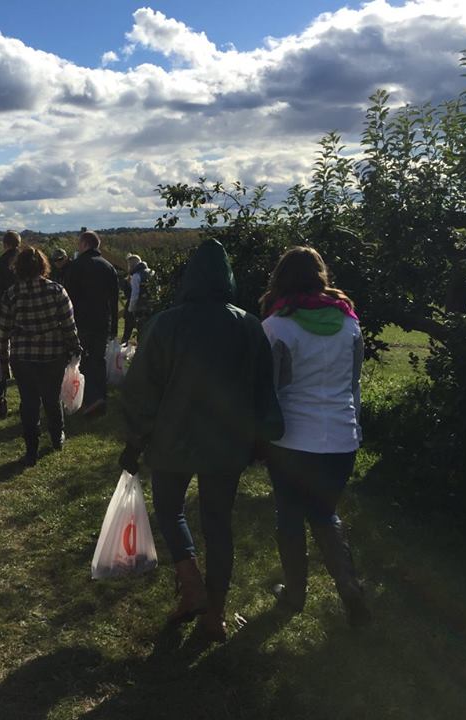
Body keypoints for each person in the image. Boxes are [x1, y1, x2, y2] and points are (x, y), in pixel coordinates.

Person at [118, 239, 283, 642]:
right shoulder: (247, 324)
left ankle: (190, 583)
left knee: (170, 510)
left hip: (170, 440)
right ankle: (216, 615)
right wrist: (264, 437)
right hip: (227, 444)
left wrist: (134, 442)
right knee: (218, 524)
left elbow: (143, 390)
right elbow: (265, 387)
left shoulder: (165, 324)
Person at [260, 246, 372, 627]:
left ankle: (294, 595)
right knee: (324, 513)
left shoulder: (277, 327)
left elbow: (268, 391)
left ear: (281, 279)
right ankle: (350, 589)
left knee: (289, 516)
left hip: (292, 441)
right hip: (342, 438)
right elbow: (354, 384)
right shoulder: (349, 323)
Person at [0, 246, 82, 467]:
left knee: (29, 402)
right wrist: (74, 347)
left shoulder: (12, 294)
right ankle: (56, 435)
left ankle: (31, 448)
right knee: (52, 398)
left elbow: (3, 331)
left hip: (23, 356)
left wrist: (4, 360)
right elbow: (68, 324)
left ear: (19, 268)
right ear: (43, 265)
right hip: (53, 353)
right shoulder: (56, 290)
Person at [65, 230, 118, 416]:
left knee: (84, 361)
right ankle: (100, 397)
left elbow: (69, 298)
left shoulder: (77, 266)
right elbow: (114, 300)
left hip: (82, 321)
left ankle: (88, 399)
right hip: (102, 320)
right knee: (99, 360)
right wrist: (113, 327)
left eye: (79, 244)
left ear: (85, 244)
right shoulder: (108, 267)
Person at [0, 230, 22, 416]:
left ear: (5, 244)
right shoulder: (27, 261)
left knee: (3, 355)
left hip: (4, 313)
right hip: (25, 313)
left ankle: (1, 394)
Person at [125, 254, 160, 342]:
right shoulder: (152, 272)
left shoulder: (136, 276)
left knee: (141, 333)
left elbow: (134, 295)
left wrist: (130, 309)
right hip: (154, 307)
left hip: (141, 309)